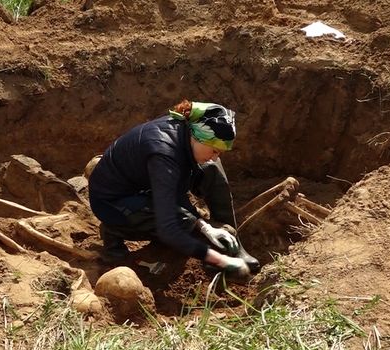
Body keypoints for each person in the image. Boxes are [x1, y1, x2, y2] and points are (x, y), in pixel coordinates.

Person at [87, 100, 260, 277]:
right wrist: (214, 247)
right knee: (182, 220)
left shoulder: (188, 130)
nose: (216, 156)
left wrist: (208, 227)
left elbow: (178, 183)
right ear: (197, 137)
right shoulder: (163, 155)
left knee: (212, 169)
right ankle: (113, 230)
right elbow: (168, 227)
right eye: (214, 150)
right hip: (113, 202)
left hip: (146, 183)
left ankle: (232, 242)